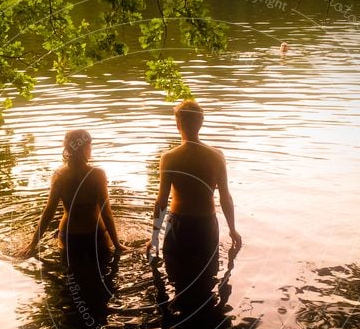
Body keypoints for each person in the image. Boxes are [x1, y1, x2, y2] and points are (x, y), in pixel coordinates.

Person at [146, 100, 241, 306]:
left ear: (178, 122)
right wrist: (233, 230)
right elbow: (225, 196)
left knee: (178, 277)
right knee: (206, 275)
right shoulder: (217, 156)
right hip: (206, 224)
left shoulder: (169, 157)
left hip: (179, 225)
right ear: (201, 122)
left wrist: (154, 237)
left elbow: (161, 201)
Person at [21, 129, 125, 260]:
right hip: (95, 235)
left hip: (69, 236)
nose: (91, 148)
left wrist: (33, 244)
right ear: (83, 148)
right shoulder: (97, 174)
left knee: (70, 271)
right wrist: (117, 244)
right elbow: (106, 212)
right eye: (89, 145)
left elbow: (49, 211)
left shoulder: (59, 175)